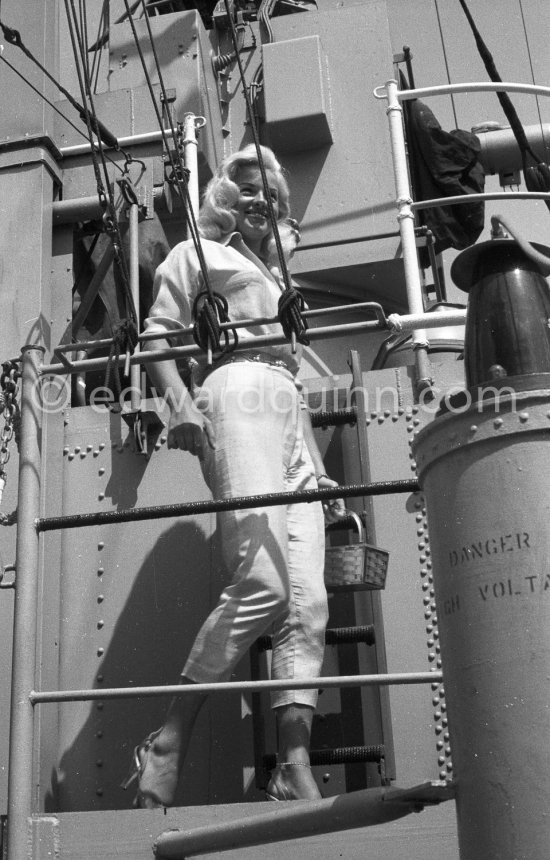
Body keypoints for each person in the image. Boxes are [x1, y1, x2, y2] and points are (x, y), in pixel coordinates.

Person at [125, 143, 345, 808]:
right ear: (223, 196)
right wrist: (180, 404)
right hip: (237, 389)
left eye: (270, 193)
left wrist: (318, 468)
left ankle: (292, 764)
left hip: (287, 407)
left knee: (308, 601)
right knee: (262, 581)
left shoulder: (275, 273)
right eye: (246, 188)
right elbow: (157, 338)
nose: (259, 200)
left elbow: (292, 363)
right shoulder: (196, 254)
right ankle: (167, 737)